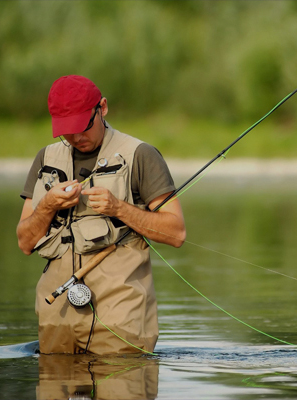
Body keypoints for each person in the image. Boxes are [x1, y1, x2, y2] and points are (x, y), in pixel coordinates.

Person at [17, 75, 186, 355]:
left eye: (83, 127)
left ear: (103, 108)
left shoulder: (141, 155)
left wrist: (118, 208)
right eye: (66, 131)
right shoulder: (44, 159)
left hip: (122, 318)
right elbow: (24, 243)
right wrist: (47, 205)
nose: (77, 138)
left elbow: (177, 233)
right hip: (55, 315)